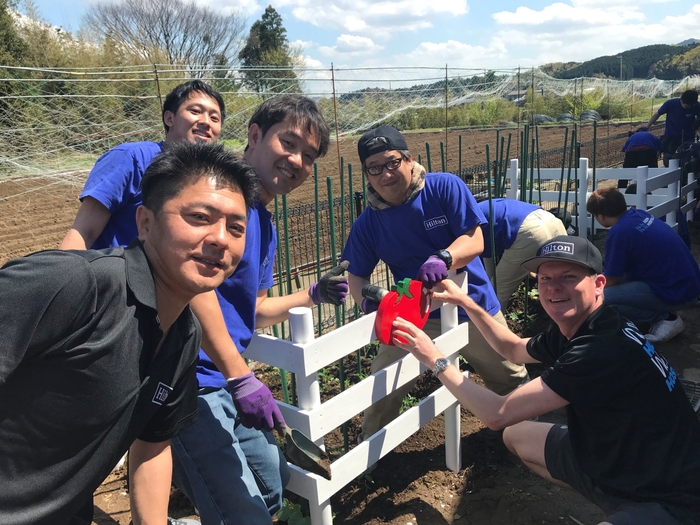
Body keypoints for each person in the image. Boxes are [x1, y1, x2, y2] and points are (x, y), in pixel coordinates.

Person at [0, 141, 259, 525]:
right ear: (145, 223)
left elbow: (153, 446)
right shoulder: (73, 284)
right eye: (200, 216)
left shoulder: (184, 336)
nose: (221, 238)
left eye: (236, 227)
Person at [392, 235, 700, 525]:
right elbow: (512, 349)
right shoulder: (587, 323)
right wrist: (466, 302)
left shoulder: (598, 348)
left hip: (669, 495)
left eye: (568, 277)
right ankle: (611, 494)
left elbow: (497, 415)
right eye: (545, 279)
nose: (553, 287)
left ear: (599, 284)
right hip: (622, 459)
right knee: (518, 436)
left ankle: (628, 510)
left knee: (508, 424)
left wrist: (434, 358)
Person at [170, 95, 346, 525]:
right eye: (288, 143)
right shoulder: (218, 199)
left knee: (270, 488)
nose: (297, 160)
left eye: (308, 156)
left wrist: (312, 294)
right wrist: (240, 376)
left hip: (228, 381)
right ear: (253, 136)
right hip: (187, 380)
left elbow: (257, 309)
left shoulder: (262, 223)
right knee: (240, 512)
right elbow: (190, 285)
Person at [341, 125, 528, 445]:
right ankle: (369, 449)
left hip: (470, 305)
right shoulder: (369, 222)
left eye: (392, 162)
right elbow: (355, 276)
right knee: (384, 381)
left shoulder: (443, 188)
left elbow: (475, 238)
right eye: (374, 168)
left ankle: (529, 428)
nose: (385, 174)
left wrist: (444, 257)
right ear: (366, 175)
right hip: (413, 315)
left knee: (510, 376)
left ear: (409, 160)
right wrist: (369, 302)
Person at [60, 79, 225, 251]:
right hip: (115, 272)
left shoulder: (208, 179)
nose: (206, 121)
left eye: (215, 118)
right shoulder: (131, 159)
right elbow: (83, 232)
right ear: (169, 118)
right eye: (196, 111)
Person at [586, 187, 700, 343]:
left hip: (675, 292)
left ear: (601, 216)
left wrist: (587, 289)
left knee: (600, 298)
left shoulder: (619, 232)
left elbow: (612, 279)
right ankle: (661, 310)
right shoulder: (639, 214)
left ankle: (666, 318)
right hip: (687, 283)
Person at [477, 198, 566, 307]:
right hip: (551, 220)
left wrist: (491, 286)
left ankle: (489, 324)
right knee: (563, 280)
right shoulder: (483, 208)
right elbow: (488, 257)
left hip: (530, 232)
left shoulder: (466, 220)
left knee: (497, 293)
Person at [646, 89, 700, 167]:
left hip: (687, 137)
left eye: (691, 106)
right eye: (687, 106)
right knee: (669, 158)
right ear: (682, 101)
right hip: (671, 136)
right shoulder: (670, 104)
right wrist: (647, 126)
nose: (689, 108)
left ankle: (683, 176)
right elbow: (657, 114)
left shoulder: (696, 106)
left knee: (685, 160)